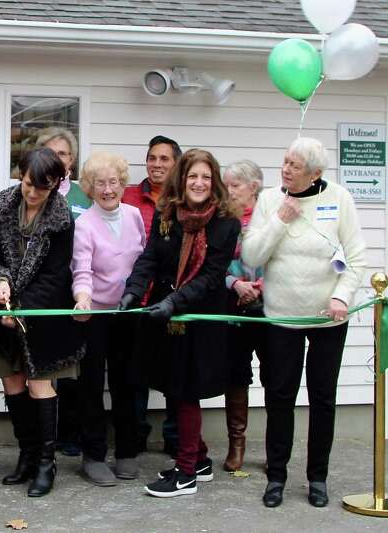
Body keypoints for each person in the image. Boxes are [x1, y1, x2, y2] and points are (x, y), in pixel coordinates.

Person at [242, 137, 366, 509]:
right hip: (282, 317)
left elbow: (356, 258)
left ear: (315, 173)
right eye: (285, 161)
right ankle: (276, 476)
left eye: (295, 166)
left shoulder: (339, 199)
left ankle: (318, 478)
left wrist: (342, 296)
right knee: (280, 396)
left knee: (323, 398)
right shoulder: (268, 200)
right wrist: (280, 220)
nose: (286, 169)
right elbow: (251, 256)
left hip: (328, 318)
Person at [121, 148, 240, 498]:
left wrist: (174, 302)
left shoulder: (226, 221)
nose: (199, 183)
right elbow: (150, 258)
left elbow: (211, 276)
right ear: (182, 180)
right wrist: (133, 291)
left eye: (205, 177)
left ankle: (186, 473)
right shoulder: (168, 213)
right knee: (174, 386)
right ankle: (199, 459)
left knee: (186, 391)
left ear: (213, 181)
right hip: (166, 313)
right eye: (192, 177)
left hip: (200, 317)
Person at [0, 147, 84, 498]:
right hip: (5, 309)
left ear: (56, 184)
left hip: (42, 318)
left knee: (40, 386)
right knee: (12, 383)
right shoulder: (1, 209)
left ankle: (46, 463)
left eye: (40, 188)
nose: (31, 192)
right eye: (27, 184)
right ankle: (26, 457)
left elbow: (57, 275)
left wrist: (21, 309)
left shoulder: (63, 219)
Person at [70, 152, 146, 486]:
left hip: (128, 314)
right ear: (89, 187)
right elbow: (81, 268)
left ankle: (127, 452)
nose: (107, 189)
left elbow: (143, 260)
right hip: (95, 315)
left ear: (121, 183)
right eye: (100, 183)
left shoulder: (133, 216)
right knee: (90, 387)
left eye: (113, 182)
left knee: (127, 383)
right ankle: (94, 456)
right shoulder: (85, 223)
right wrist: (83, 298)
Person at [122, 135, 182, 455]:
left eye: (164, 159)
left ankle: (174, 436)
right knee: (136, 374)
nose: (156, 165)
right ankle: (135, 436)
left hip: (170, 300)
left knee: (173, 371)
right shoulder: (129, 196)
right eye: (152, 158)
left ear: (176, 164)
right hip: (135, 299)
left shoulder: (184, 201)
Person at [35, 128, 91, 456]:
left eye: (64, 154)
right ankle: (40, 437)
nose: (58, 160)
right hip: (40, 293)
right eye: (51, 153)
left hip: (76, 292)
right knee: (40, 366)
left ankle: (69, 434)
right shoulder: (31, 191)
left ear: (72, 160)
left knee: (71, 368)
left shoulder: (85, 196)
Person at [221, 159, 266, 472]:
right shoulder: (223, 220)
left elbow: (282, 260)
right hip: (234, 307)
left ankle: (276, 449)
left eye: (234, 186)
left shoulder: (271, 217)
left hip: (269, 307)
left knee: (276, 375)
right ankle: (236, 444)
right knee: (236, 376)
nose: (229, 192)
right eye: (226, 185)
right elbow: (212, 263)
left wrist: (260, 286)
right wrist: (236, 283)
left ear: (254, 187)